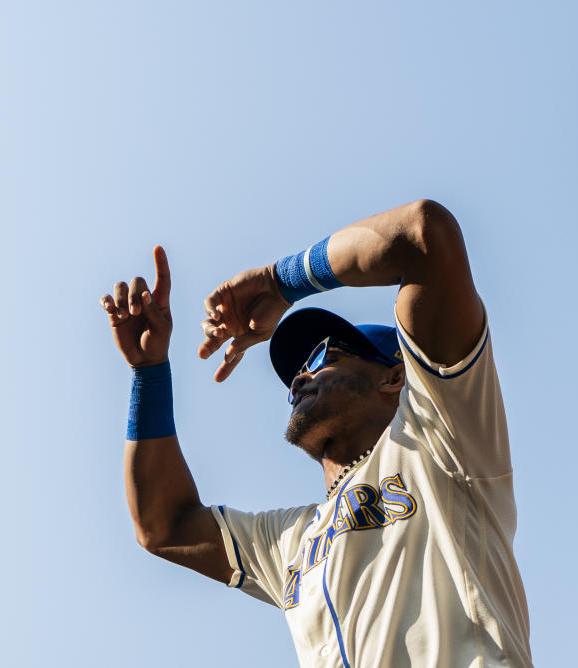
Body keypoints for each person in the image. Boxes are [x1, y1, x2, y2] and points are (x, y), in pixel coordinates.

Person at [99, 200, 533, 667]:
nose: (300, 379)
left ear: (393, 378)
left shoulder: (439, 434)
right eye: (296, 373)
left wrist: (279, 281)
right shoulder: (291, 538)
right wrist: (149, 372)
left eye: (325, 355)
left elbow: (423, 233)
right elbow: (164, 525)